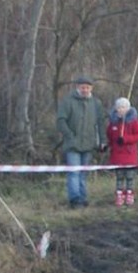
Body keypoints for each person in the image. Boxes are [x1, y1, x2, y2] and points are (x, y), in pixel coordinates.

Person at [55, 76, 106, 207]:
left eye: (88, 87)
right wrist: (69, 136)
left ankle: (83, 198)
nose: (85, 90)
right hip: (72, 145)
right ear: (77, 87)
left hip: (88, 144)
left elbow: (101, 123)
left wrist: (102, 141)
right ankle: (75, 199)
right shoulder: (67, 101)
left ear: (92, 88)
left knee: (83, 174)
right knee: (74, 173)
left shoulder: (96, 103)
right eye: (83, 87)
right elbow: (61, 120)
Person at [106, 97, 138, 208]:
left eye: (123, 107)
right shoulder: (113, 123)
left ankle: (129, 194)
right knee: (119, 176)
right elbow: (110, 137)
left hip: (130, 155)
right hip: (117, 155)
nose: (121, 109)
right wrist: (107, 146)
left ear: (128, 108)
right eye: (118, 107)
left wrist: (126, 139)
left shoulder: (133, 121)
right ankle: (119, 195)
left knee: (130, 176)